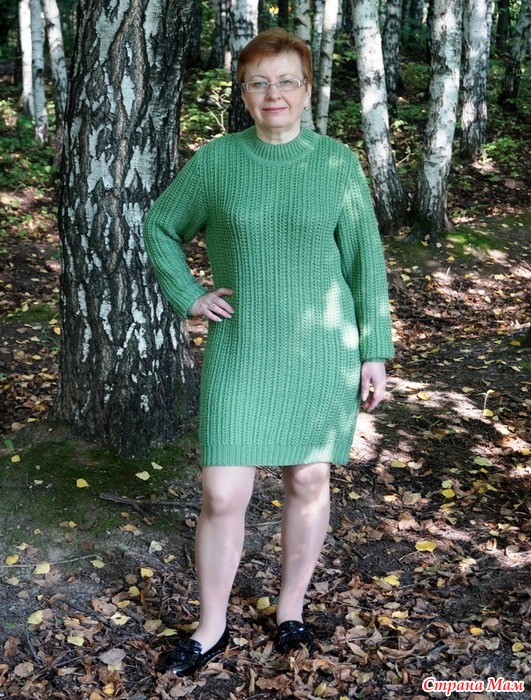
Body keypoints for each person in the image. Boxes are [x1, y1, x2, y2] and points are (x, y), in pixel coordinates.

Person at [143, 28, 394, 677]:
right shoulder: (217, 162)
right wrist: (189, 294)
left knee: (307, 480)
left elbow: (365, 263)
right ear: (244, 92)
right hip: (242, 348)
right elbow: (160, 225)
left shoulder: (337, 163)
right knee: (222, 491)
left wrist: (374, 351)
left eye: (285, 81)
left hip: (321, 351)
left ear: (306, 90)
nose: (272, 93)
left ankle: (290, 611)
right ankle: (211, 627)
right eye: (258, 82)